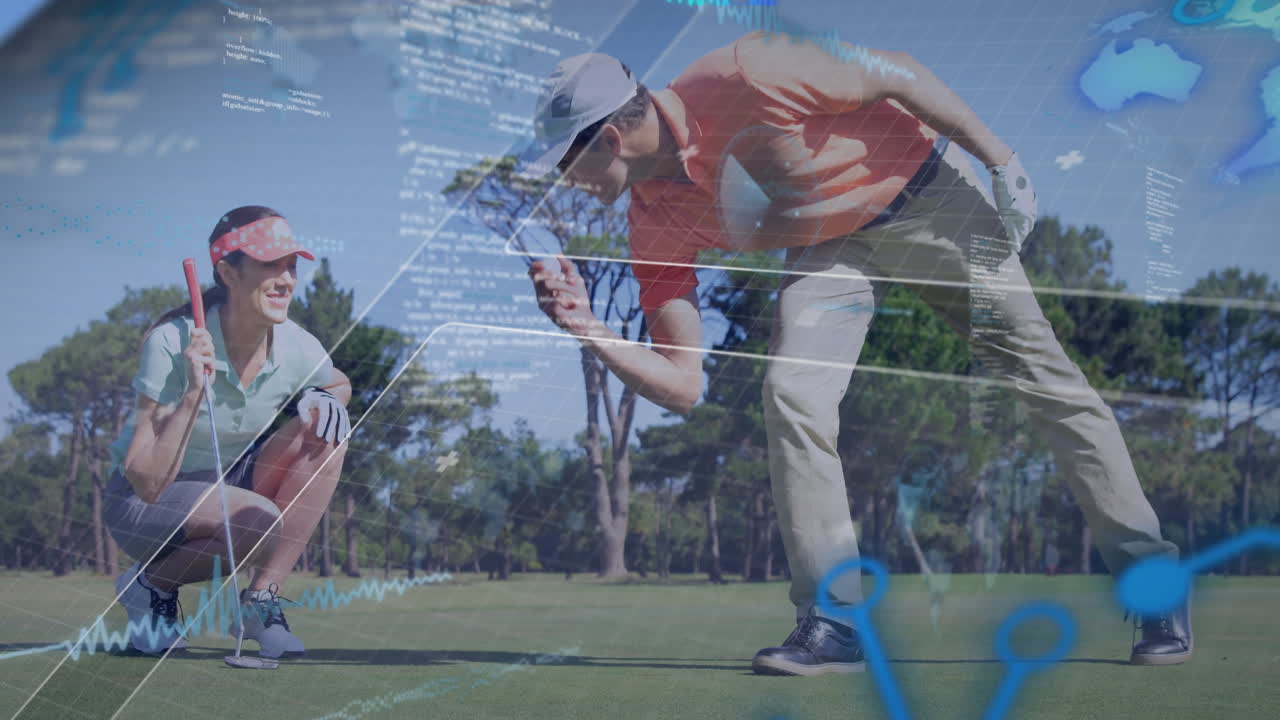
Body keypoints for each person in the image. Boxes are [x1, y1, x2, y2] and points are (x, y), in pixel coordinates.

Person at [521, 32, 1192, 675]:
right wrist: (588, 329)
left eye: (563, 164)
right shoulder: (652, 218)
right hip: (829, 247)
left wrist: (1000, 160)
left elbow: (894, 70)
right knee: (792, 393)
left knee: (1044, 377)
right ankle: (835, 621)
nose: (563, 182)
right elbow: (684, 385)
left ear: (609, 138)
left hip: (928, 197)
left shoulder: (744, 71)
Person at [104, 205, 352, 658]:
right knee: (257, 520)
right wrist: (193, 394)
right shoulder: (171, 342)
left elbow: (337, 380)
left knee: (328, 435)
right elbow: (144, 478)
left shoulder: (295, 343)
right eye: (268, 265)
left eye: (291, 267)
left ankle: (261, 602)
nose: (286, 280)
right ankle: (146, 586)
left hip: (229, 491)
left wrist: (325, 398)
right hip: (143, 506)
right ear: (228, 273)